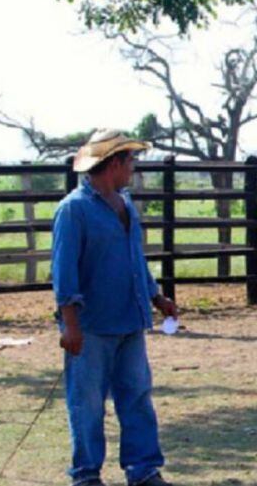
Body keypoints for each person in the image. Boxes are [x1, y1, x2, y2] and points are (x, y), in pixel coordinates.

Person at [52, 129, 178, 486]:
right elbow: (63, 270)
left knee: (137, 396)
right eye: (130, 161)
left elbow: (135, 259)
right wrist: (70, 324)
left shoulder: (125, 206)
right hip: (92, 325)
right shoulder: (73, 210)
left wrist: (157, 297)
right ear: (115, 163)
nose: (134, 168)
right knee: (88, 404)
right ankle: (86, 474)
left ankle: (142, 470)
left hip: (129, 320)